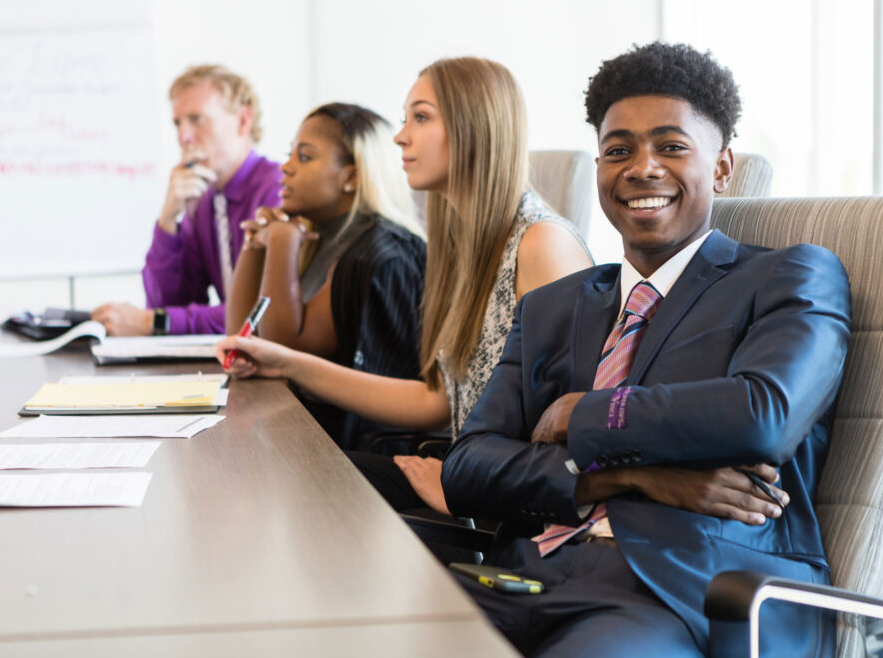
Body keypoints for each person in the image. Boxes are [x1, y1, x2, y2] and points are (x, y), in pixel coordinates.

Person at [440, 42, 851, 657]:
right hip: (523, 578)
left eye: (672, 146)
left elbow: (760, 415)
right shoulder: (553, 306)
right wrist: (633, 476)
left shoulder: (790, 277)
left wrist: (583, 414)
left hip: (687, 595)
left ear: (721, 167)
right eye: (618, 150)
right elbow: (467, 467)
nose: (642, 168)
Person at [217, 57, 593, 509]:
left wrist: (463, 487)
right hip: (467, 473)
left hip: (504, 500)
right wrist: (286, 363)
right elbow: (437, 401)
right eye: (404, 118)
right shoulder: (459, 246)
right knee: (283, 464)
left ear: (474, 127)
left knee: (294, 481)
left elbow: (566, 435)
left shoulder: (540, 244)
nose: (399, 136)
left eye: (420, 117)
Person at [227, 103, 426, 447]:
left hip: (363, 453)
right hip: (309, 435)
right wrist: (254, 245)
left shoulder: (374, 252)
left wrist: (282, 240)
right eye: (290, 154)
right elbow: (242, 338)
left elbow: (282, 352)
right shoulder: (323, 237)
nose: (285, 168)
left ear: (351, 176)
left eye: (304, 157)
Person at [92, 65, 280, 336]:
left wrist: (154, 322)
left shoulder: (276, 191)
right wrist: (169, 219)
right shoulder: (205, 200)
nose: (183, 136)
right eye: (178, 123)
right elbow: (169, 304)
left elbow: (261, 314)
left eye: (197, 119)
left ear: (243, 120)